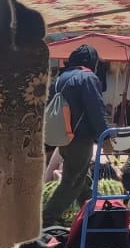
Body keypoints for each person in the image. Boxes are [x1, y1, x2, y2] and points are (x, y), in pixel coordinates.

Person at [45, 44, 109, 227]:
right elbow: (96, 109)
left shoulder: (59, 79)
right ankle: (45, 220)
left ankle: (94, 217)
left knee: (80, 179)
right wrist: (105, 136)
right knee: (72, 181)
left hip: (63, 136)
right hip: (80, 138)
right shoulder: (88, 77)